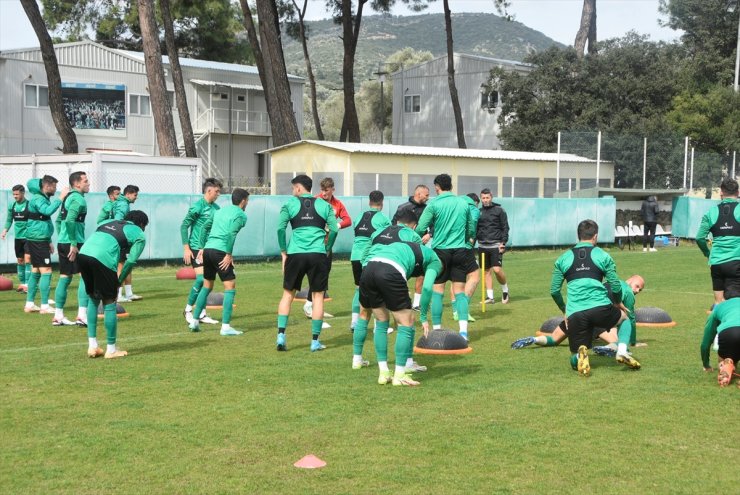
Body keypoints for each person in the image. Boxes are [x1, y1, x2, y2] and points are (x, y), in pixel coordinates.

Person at [357, 208, 442, 386]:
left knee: (381, 321)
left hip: (369, 270)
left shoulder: (394, 241)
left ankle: (383, 373)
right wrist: (424, 317)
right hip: (390, 271)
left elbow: (367, 253)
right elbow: (427, 288)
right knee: (406, 322)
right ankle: (401, 375)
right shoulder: (434, 259)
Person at [550, 219, 630, 376]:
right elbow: (615, 285)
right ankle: (621, 350)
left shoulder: (563, 259)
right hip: (600, 308)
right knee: (625, 319)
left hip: (575, 313)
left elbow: (554, 291)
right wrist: (618, 301)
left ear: (578, 236)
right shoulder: (602, 255)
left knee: (574, 359)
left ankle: (580, 354)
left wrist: (565, 309)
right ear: (595, 236)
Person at [514, 275, 645, 369]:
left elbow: (555, 291)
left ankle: (534, 340)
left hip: (576, 312)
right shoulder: (628, 293)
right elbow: (631, 318)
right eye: (637, 286)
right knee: (621, 337)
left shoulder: (609, 282)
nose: (637, 290)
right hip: (598, 315)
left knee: (554, 339)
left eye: (640, 290)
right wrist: (633, 341)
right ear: (630, 280)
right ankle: (608, 349)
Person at [275, 175, 339, 352]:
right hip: (317, 255)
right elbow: (334, 229)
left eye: (293, 188)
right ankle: (315, 341)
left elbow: (280, 228)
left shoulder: (289, 204)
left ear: (298, 188)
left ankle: (281, 335)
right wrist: (328, 247)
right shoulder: (325, 205)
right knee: (318, 296)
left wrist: (283, 252)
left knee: (288, 295)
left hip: (295, 254)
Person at [415, 174, 478, 340]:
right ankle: (464, 332)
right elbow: (471, 228)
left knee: (438, 292)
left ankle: (436, 331)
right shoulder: (463, 203)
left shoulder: (434, 203)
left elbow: (421, 227)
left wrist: (414, 239)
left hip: (441, 252)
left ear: (437, 187)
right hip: (460, 251)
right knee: (459, 292)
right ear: (451, 185)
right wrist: (467, 242)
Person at [79, 211, 148, 359]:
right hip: (102, 259)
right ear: (142, 225)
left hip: (83, 254)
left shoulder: (108, 222)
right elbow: (130, 261)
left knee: (93, 299)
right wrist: (119, 282)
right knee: (110, 302)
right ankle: (111, 350)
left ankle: (93, 346)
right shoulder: (139, 233)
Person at [188, 188, 249, 336]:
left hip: (208, 250)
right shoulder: (241, 215)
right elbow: (231, 233)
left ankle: (195, 321)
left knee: (207, 285)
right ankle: (226, 327)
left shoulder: (220, 211)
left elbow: (204, 227)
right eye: (248, 200)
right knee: (230, 286)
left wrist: (202, 247)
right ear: (243, 201)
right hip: (220, 252)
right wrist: (228, 254)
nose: (248, 203)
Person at [302, 177, 351, 328]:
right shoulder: (314, 200)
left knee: (324, 274)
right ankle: (311, 306)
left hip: (327, 246)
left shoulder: (337, 204)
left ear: (332, 190)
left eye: (326, 190)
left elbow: (348, 220)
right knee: (316, 275)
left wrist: (336, 224)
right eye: (322, 190)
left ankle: (314, 306)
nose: (323, 193)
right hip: (314, 245)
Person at [181, 178, 222, 326]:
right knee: (201, 280)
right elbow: (184, 226)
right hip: (195, 248)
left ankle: (202, 314)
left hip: (208, 249)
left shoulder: (217, 209)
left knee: (208, 282)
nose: (218, 194)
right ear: (209, 190)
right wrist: (186, 247)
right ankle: (187, 310)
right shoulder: (197, 207)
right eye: (217, 191)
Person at [24, 175, 67, 314]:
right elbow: (47, 211)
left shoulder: (41, 198)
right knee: (46, 271)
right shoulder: (38, 199)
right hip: (38, 240)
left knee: (36, 271)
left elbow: (42, 220)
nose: (55, 189)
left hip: (38, 238)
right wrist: (60, 198)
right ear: (47, 186)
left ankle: (30, 304)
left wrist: (48, 240)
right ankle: (44, 306)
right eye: (54, 186)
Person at [349, 190, 391, 331]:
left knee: (359, 289)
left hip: (355, 256)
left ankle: (354, 322)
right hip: (370, 258)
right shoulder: (383, 219)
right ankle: (377, 326)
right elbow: (387, 238)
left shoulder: (359, 216)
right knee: (376, 290)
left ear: (369, 202)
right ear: (382, 203)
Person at [52, 171, 90, 327]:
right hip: (74, 243)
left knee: (65, 277)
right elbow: (69, 220)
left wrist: (62, 238)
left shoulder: (68, 197)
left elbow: (58, 221)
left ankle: (58, 316)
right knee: (85, 276)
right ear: (77, 184)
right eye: (86, 181)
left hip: (63, 242)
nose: (88, 183)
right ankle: (81, 316)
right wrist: (73, 243)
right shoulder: (78, 199)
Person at [696, 178, 740, 306]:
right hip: (736, 262)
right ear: (738, 192)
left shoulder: (711, 212)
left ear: (721, 193)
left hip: (716, 263)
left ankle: (717, 326)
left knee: (718, 303)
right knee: (735, 304)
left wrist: (708, 254)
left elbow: (699, 237)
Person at [392, 184, 431, 310]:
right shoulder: (403, 208)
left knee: (422, 272)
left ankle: (416, 303)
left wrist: (429, 234)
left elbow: (435, 224)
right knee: (404, 271)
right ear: (419, 194)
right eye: (426, 195)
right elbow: (394, 224)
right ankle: (402, 299)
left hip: (421, 245)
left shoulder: (428, 208)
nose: (428, 197)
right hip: (406, 246)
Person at [477, 188, 510, 305]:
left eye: (487, 197)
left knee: (496, 269)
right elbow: (475, 228)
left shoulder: (499, 210)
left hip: (496, 245)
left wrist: (503, 243)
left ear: (491, 197)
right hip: (482, 245)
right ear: (481, 198)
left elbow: (505, 227)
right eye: (483, 198)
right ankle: (490, 297)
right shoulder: (478, 211)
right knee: (486, 271)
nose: (485, 200)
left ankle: (505, 290)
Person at [700, 291, 740, 387]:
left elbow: (706, 342)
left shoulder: (718, 308)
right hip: (731, 333)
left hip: (728, 333)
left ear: (724, 299)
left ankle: (727, 364)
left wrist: (706, 365)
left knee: (726, 357)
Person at [451, 192, 480, 321]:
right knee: (474, 276)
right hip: (465, 247)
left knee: (455, 280)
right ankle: (461, 309)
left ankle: (454, 311)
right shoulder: (473, 208)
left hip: (448, 247)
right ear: (475, 202)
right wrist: (471, 237)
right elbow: (471, 225)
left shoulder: (453, 205)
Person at [112, 185, 142, 302]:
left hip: (123, 239)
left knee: (127, 265)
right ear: (128, 194)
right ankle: (118, 295)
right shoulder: (123, 205)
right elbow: (118, 221)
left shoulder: (123, 204)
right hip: (120, 239)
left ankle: (129, 293)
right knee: (121, 266)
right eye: (135, 195)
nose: (136, 197)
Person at [1, 184, 31, 293]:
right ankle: (22, 283)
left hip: (28, 237)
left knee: (28, 259)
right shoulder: (12, 206)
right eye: (13, 194)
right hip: (18, 238)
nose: (15, 196)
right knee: (20, 260)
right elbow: (9, 220)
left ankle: (28, 284)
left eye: (17, 194)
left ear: (23, 193)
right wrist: (5, 230)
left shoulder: (29, 205)